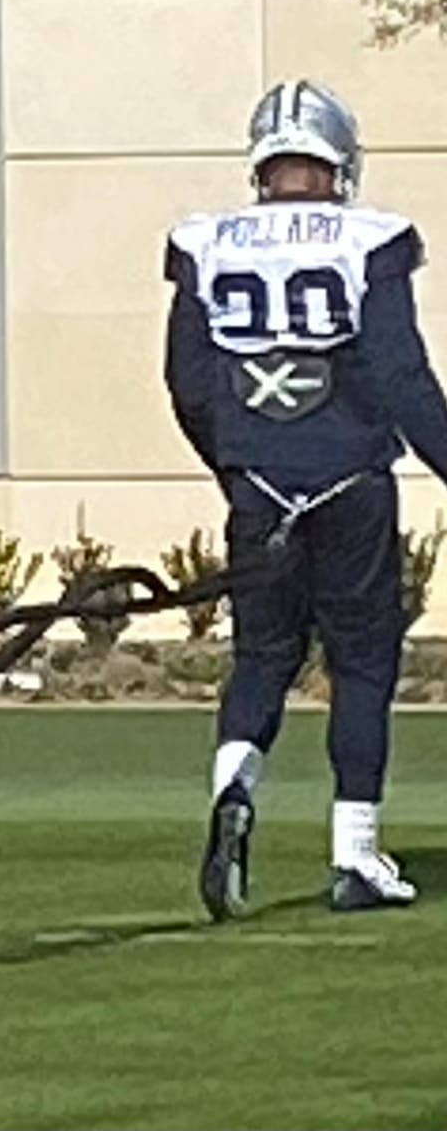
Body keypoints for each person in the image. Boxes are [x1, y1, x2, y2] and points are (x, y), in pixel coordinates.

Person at [163, 80, 447, 920]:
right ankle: (355, 855)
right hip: (351, 480)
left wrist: (237, 466)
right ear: (339, 158)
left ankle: (233, 791)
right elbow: (400, 374)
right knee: (361, 666)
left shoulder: (205, 240)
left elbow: (187, 381)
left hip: (257, 485)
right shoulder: (373, 237)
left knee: (260, 658)